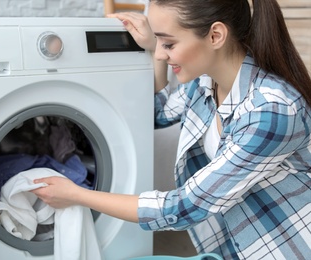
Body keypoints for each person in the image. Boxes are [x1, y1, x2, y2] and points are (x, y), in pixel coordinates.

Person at [31, 0, 311, 259]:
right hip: (240, 243)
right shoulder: (204, 83)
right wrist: (155, 48)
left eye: (169, 43)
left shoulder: (270, 111)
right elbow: (154, 114)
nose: (163, 54)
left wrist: (76, 195)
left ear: (215, 36)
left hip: (287, 246)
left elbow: (185, 207)